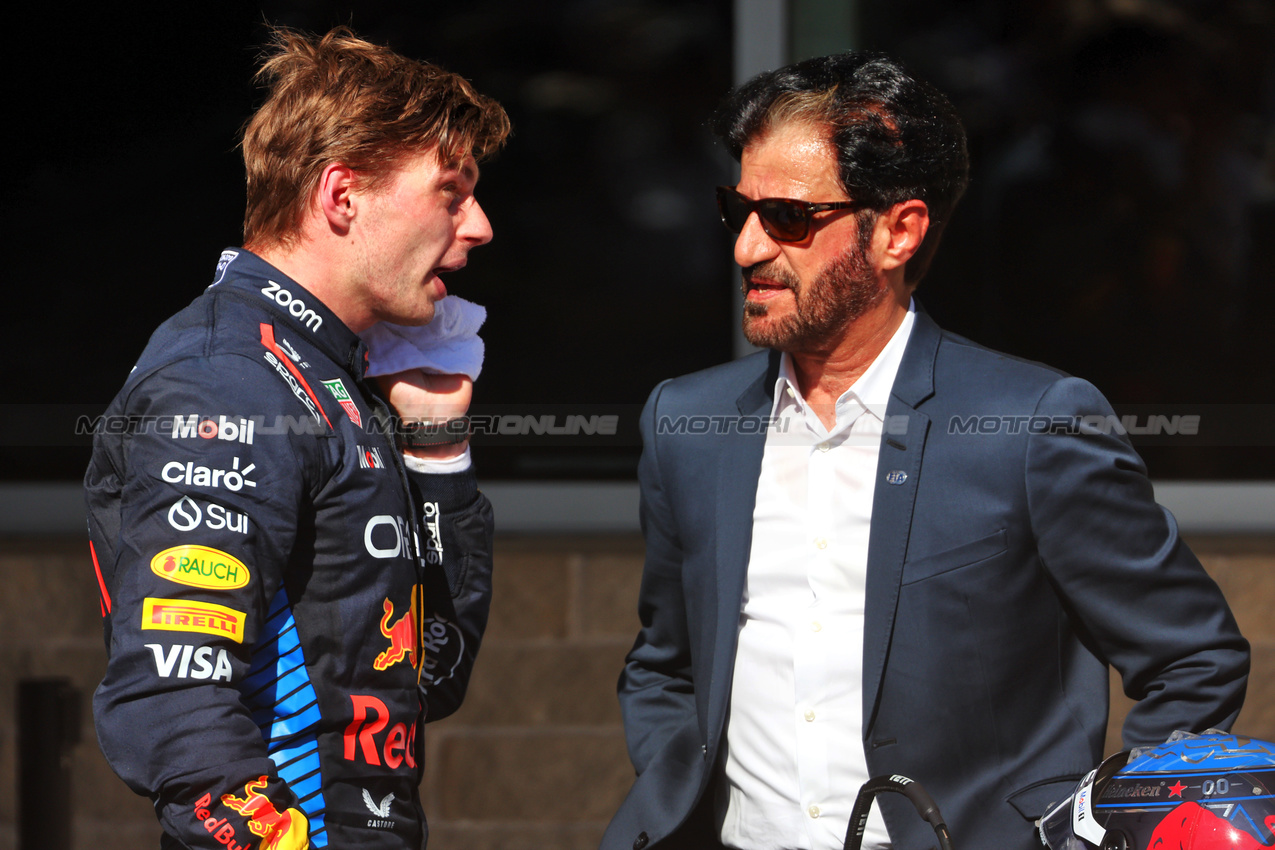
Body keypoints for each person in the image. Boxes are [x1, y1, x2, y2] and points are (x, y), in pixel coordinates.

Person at [603, 52, 1249, 850]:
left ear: (898, 231)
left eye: (788, 218)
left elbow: (1191, 658)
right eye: (735, 210)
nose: (746, 248)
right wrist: (671, 787)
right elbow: (666, 662)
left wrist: (1101, 831)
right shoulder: (686, 422)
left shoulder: (1034, 423)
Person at [84, 26, 509, 850]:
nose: (480, 226)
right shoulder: (225, 379)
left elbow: (428, 676)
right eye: (451, 193)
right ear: (341, 196)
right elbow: (174, 702)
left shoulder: (328, 374)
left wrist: (435, 450)